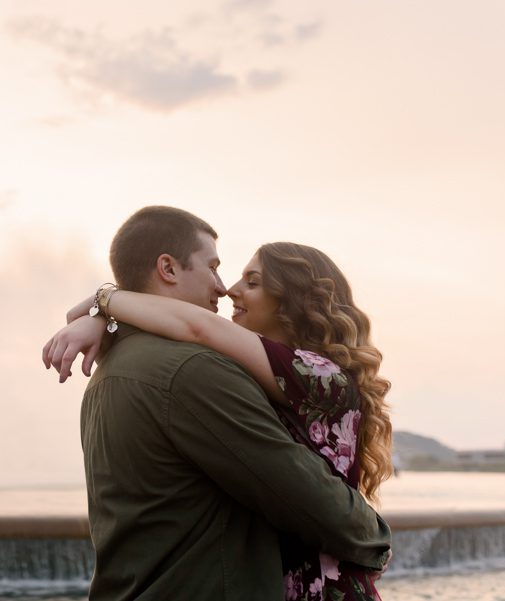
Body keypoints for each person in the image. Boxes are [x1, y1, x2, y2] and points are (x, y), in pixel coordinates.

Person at [42, 206, 391, 601]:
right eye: (213, 268)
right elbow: (301, 493)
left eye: (251, 280)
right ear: (169, 269)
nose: (226, 288)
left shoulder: (114, 367)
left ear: (289, 301)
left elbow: (199, 328)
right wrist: (373, 534)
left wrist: (105, 309)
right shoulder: (195, 370)